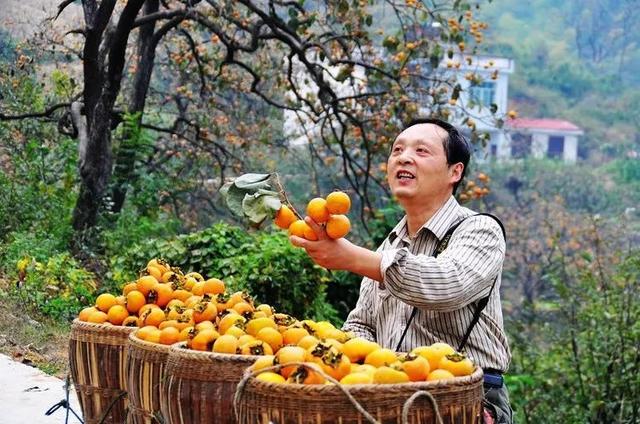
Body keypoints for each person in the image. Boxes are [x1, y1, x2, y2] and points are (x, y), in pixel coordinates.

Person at [289, 118, 513, 424]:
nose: (403, 157)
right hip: (392, 395)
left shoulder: (480, 230)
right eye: (397, 150)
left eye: (422, 151)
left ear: (455, 171)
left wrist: (351, 258)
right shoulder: (390, 245)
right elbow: (362, 324)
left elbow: (448, 283)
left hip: (466, 398)